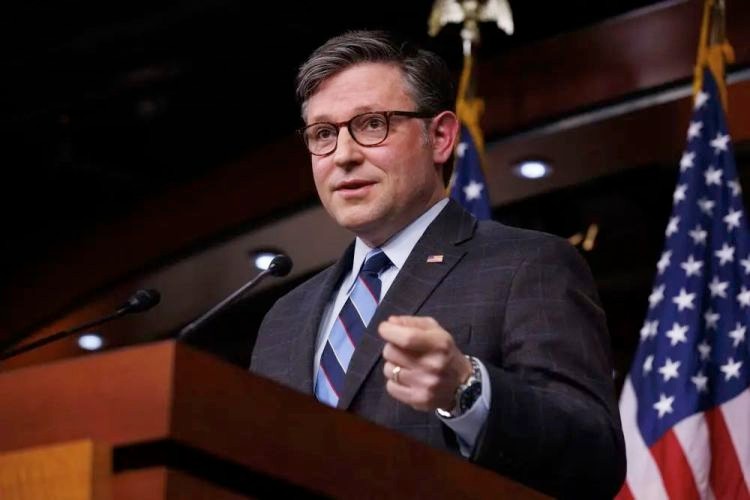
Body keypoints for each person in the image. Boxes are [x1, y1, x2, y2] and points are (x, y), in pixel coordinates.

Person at [250, 30, 625, 498]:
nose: (343, 155)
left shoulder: (527, 265)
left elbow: (595, 459)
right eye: (324, 134)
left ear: (441, 137)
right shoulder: (283, 319)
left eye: (372, 124)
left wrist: (466, 390)